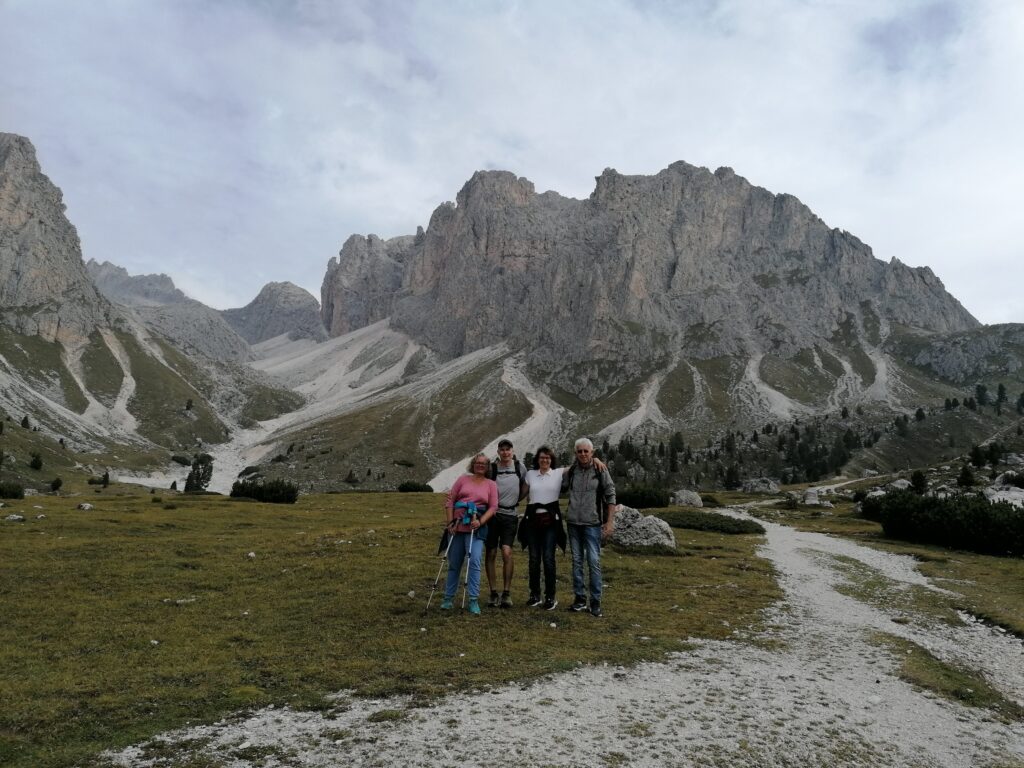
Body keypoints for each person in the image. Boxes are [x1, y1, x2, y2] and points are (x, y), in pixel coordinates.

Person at [563, 437, 616, 617]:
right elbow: (560, 484)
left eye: (586, 451)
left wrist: (609, 522)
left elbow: (610, 495)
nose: (583, 454)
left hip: (592, 524)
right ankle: (579, 599)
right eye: (580, 451)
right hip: (573, 524)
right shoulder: (572, 471)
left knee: (593, 562)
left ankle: (595, 601)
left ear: (592, 453)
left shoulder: (600, 470)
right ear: (575, 453)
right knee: (576, 561)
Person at [441, 453, 498, 615]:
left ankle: (473, 599)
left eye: (483, 464)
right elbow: (450, 501)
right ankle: (448, 598)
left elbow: (493, 507)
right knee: (454, 563)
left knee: (474, 561)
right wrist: (450, 522)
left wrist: (480, 522)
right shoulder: (462, 480)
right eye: (477, 463)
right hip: (457, 527)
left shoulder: (491, 485)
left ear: (487, 467)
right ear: (473, 465)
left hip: (476, 528)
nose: (480, 466)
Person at [518, 445, 568, 610]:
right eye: (542, 458)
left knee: (548, 558)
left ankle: (550, 596)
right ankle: (534, 594)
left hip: (551, 522)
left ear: (551, 459)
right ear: (537, 460)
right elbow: (521, 494)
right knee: (533, 559)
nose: (545, 460)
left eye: (547, 457)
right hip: (532, 520)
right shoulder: (531, 474)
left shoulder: (558, 473)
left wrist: (595, 459)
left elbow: (576, 466)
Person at [485, 439, 527, 608]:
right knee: (491, 552)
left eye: (507, 449)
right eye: (502, 450)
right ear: (498, 452)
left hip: (510, 516)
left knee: (507, 551)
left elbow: (527, 484)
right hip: (493, 515)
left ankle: (507, 593)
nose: (505, 452)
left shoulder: (520, 467)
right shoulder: (492, 469)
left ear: (512, 451)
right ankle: (493, 592)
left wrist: (517, 499)